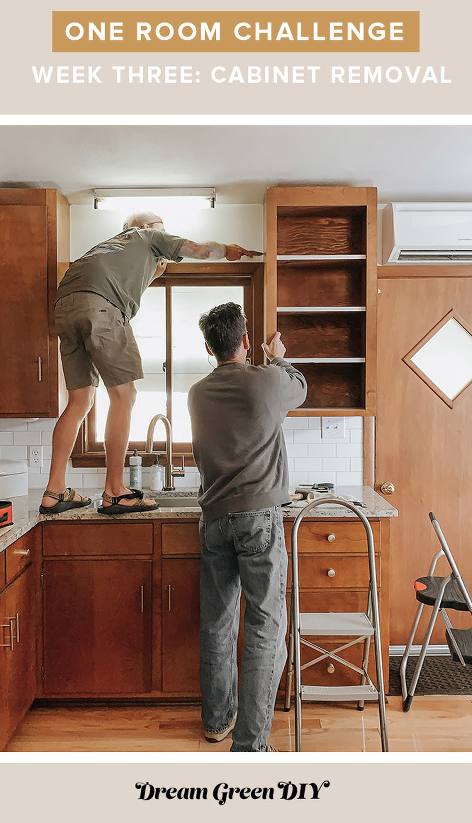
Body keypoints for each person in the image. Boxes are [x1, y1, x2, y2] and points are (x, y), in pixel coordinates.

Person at [40, 213, 256, 516]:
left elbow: (141, 278)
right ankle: (115, 491)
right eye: (163, 231)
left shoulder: (105, 250)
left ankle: (54, 491)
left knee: (79, 401)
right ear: (145, 229)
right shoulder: (146, 237)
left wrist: (158, 269)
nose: (165, 238)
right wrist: (226, 250)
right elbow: (201, 250)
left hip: (65, 308)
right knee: (124, 396)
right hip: (102, 308)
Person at [187, 302, 307, 752]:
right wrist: (276, 356)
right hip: (259, 519)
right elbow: (301, 386)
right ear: (244, 341)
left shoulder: (197, 393)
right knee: (264, 625)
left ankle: (217, 722)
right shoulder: (268, 380)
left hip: (215, 519)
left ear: (207, 347)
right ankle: (251, 745)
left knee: (218, 622)